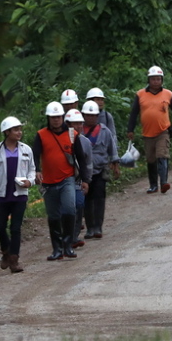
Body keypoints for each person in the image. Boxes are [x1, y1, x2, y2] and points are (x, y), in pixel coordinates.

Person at [33, 101, 90, 261]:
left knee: (69, 210)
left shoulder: (72, 134)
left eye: (58, 117)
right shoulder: (41, 135)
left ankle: (68, 246)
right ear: (48, 118)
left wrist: (85, 180)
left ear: (63, 118)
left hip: (67, 179)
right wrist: (36, 170)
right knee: (53, 216)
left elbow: (81, 158)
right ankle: (56, 249)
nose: (56, 120)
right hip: (48, 182)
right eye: (53, 117)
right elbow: (35, 155)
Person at [0, 117, 36, 273]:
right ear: (7, 132)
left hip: (20, 195)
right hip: (3, 195)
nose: (19, 132)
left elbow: (32, 169)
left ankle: (14, 260)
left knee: (16, 228)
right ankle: (6, 251)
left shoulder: (26, 149)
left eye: (20, 129)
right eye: (16, 129)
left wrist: (29, 182)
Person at [126, 66, 172, 191]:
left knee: (162, 155)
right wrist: (130, 129)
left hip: (163, 131)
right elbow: (134, 113)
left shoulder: (168, 94)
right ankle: (153, 185)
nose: (156, 82)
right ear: (149, 80)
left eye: (158, 79)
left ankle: (164, 182)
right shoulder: (140, 95)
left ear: (162, 80)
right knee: (151, 159)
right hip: (147, 133)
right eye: (153, 79)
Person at [81, 100, 120, 239]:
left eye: (94, 115)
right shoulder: (77, 131)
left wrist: (115, 164)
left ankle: (98, 227)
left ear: (98, 116)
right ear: (83, 115)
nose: (91, 118)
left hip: (100, 169)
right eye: (88, 115)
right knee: (87, 199)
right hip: (84, 172)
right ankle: (90, 227)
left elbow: (112, 148)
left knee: (99, 198)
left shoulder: (104, 131)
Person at [64, 108, 92, 248]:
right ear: (68, 125)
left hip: (78, 180)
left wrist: (87, 179)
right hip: (63, 179)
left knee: (79, 204)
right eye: (75, 124)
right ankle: (66, 237)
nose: (78, 127)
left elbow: (87, 162)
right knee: (67, 208)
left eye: (80, 124)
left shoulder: (85, 142)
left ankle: (74, 236)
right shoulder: (62, 141)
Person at [85, 87, 119, 158]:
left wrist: (113, 155)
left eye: (102, 100)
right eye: (98, 99)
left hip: (103, 154)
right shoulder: (82, 116)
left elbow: (113, 136)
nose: (100, 102)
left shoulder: (107, 116)